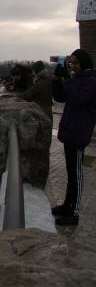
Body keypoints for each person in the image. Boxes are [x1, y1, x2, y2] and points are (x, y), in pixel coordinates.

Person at [51, 49, 96, 226]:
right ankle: (67, 205)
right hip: (70, 131)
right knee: (70, 172)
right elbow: (60, 97)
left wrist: (68, 81)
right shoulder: (76, 80)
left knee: (76, 174)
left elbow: (78, 99)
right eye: (71, 63)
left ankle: (74, 213)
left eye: (75, 63)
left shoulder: (92, 81)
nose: (73, 66)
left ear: (84, 63)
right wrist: (57, 81)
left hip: (79, 133)